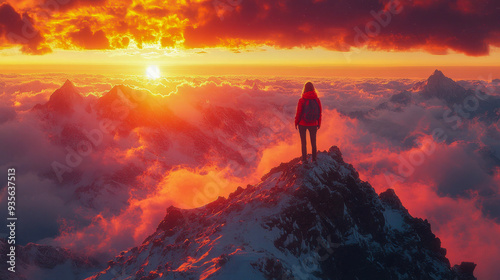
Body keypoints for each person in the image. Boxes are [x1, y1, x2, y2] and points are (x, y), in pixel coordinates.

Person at [295, 81, 322, 164]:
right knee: (313, 142)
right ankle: (314, 159)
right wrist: (319, 123)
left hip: (302, 124)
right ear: (313, 89)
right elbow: (319, 112)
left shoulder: (302, 100)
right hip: (313, 124)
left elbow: (298, 112)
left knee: (304, 143)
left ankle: (304, 160)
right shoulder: (317, 100)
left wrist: (296, 123)